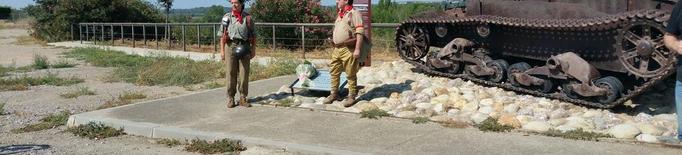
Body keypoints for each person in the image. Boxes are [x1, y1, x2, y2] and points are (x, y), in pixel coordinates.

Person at [322, 0, 366, 107]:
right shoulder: (340, 14)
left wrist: (357, 49)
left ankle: (351, 96)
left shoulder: (354, 13)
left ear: (346, 0)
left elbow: (359, 32)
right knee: (334, 71)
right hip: (337, 48)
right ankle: (334, 94)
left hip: (348, 48)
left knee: (350, 72)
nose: (336, 1)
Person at [220, 0, 255, 108]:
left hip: (244, 46)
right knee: (230, 72)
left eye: (236, 3)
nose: (234, 5)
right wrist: (221, 51)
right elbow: (222, 35)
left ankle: (243, 98)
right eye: (232, 3)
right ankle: (231, 98)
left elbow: (253, 36)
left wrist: (253, 50)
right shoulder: (227, 17)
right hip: (230, 46)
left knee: (244, 73)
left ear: (241, 4)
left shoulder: (248, 18)